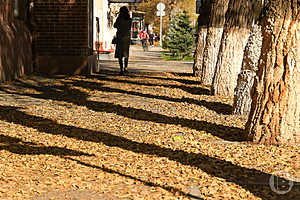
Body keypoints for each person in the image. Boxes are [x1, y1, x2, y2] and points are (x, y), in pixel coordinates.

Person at [114, 6, 132, 75]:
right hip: (127, 38)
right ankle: (126, 68)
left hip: (120, 37)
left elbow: (114, 26)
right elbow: (129, 27)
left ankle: (121, 69)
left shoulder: (119, 19)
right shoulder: (129, 19)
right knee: (126, 53)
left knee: (120, 54)